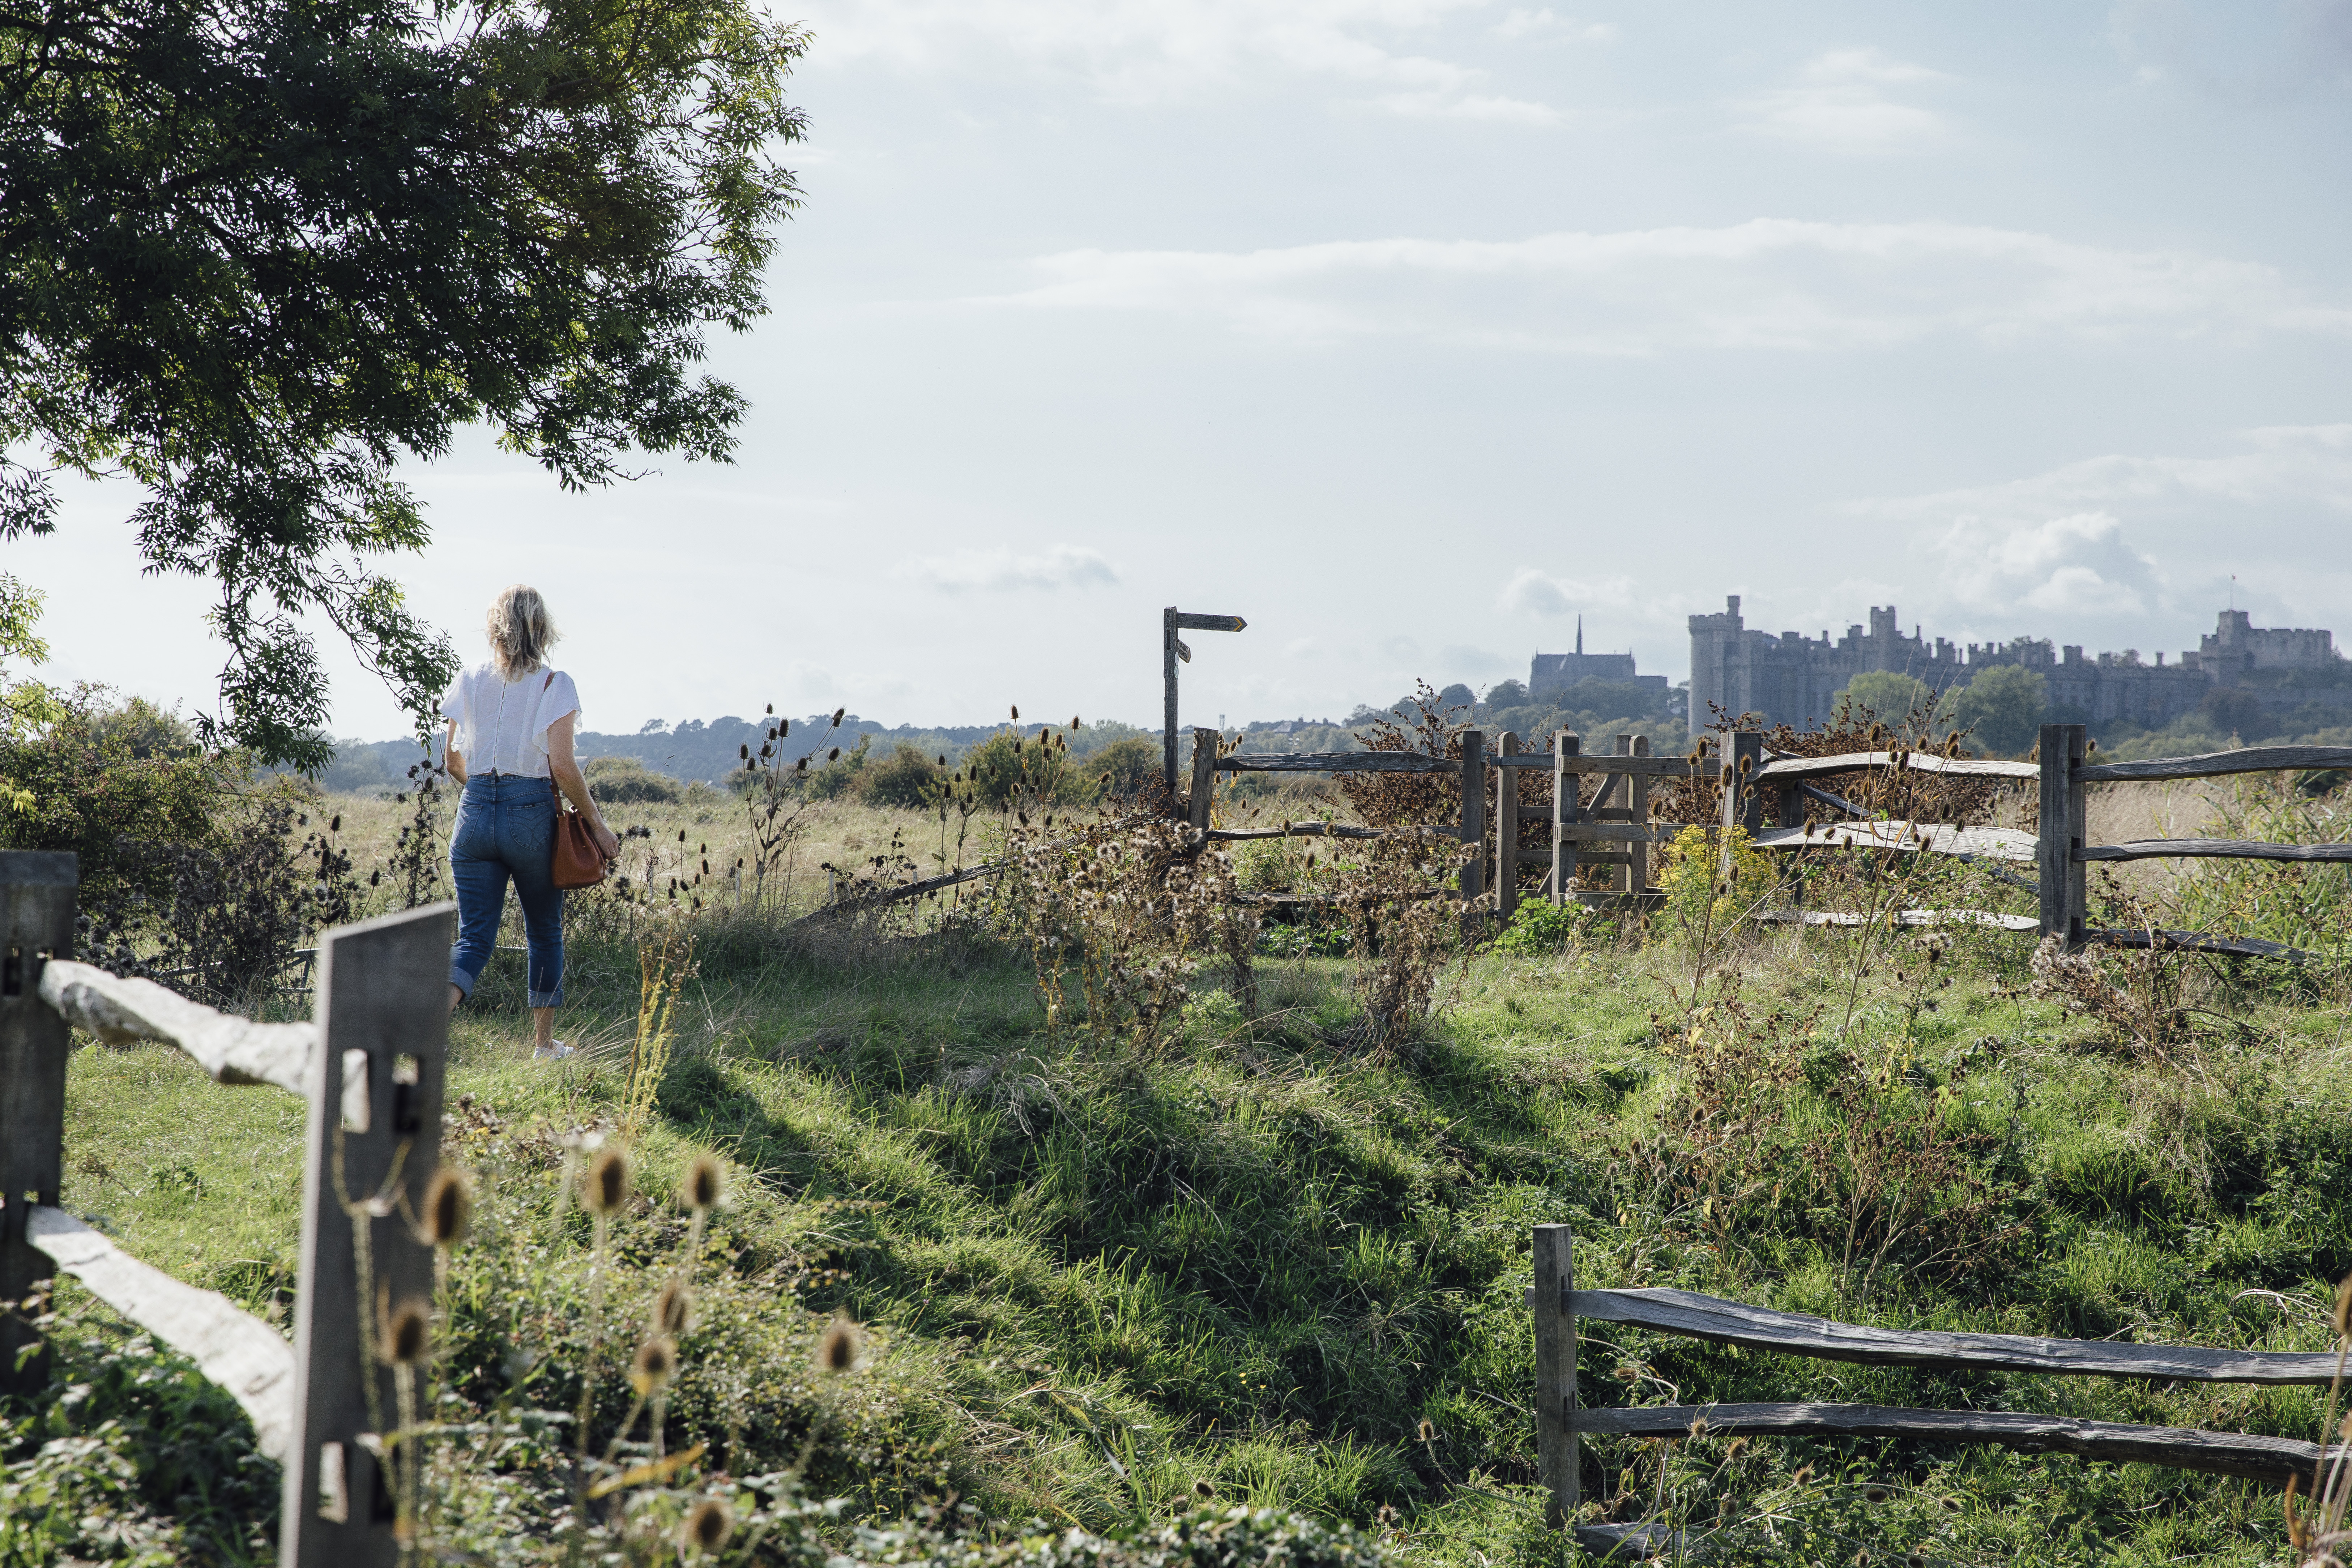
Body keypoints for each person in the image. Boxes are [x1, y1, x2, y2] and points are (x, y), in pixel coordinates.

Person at [441, 585, 619, 1058]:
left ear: (495, 627)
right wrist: (596, 823)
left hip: (474, 810)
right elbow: (562, 765)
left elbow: (452, 758)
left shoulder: (470, 678)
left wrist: (483, 799)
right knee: (544, 930)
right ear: (541, 628)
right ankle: (543, 1045)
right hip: (531, 815)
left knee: (475, 938)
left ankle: (425, 1022)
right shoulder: (553, 683)